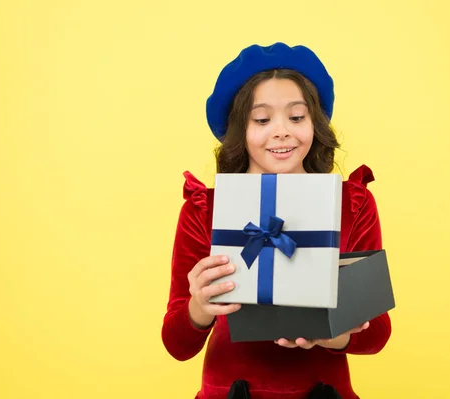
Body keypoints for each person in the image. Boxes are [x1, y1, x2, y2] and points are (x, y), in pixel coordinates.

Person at [161, 42, 392, 399]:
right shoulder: (205, 209)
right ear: (240, 129)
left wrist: (335, 332)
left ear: (314, 123)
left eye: (296, 117)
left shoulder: (351, 203)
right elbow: (177, 344)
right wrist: (198, 306)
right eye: (262, 119)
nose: (281, 131)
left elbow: (377, 333)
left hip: (323, 390)